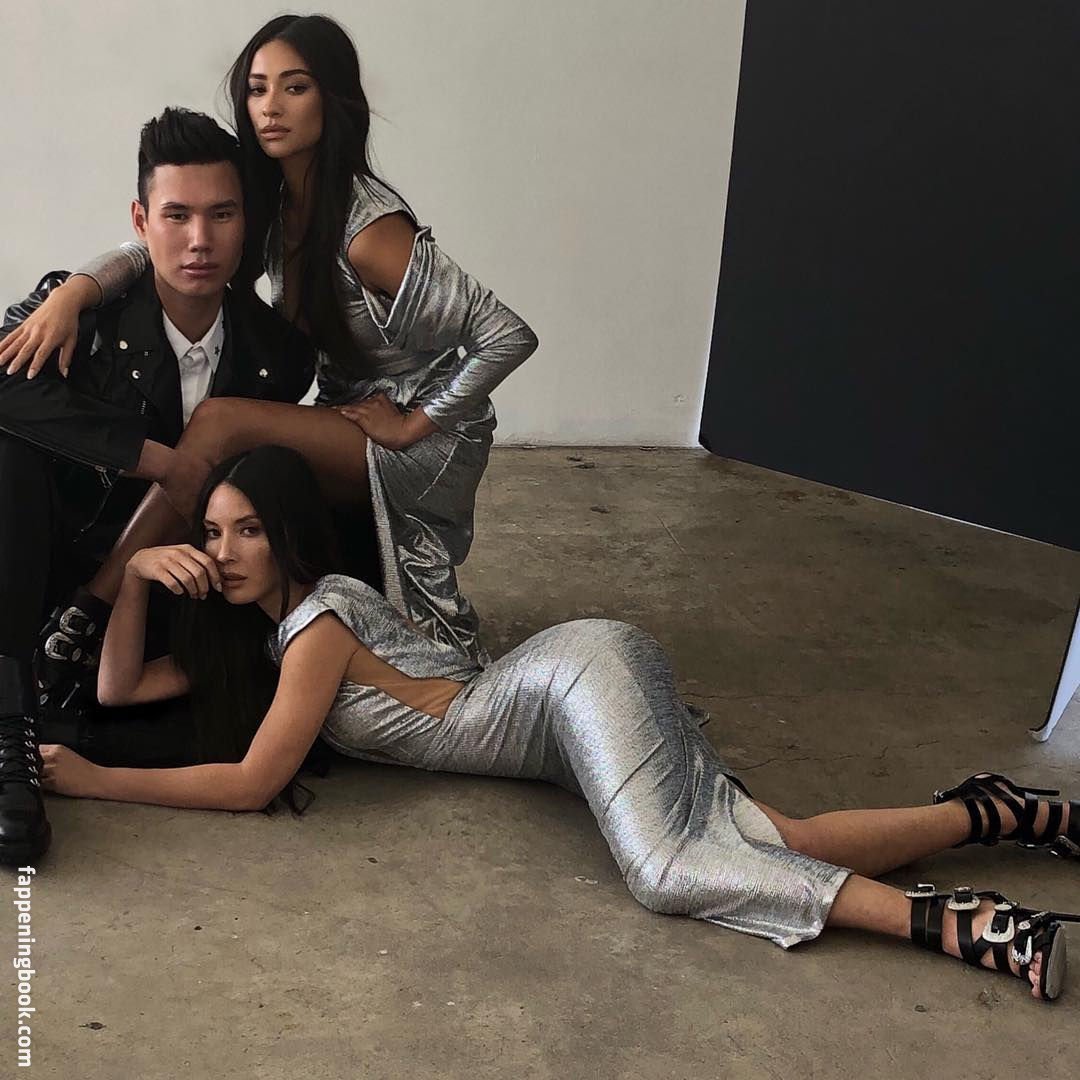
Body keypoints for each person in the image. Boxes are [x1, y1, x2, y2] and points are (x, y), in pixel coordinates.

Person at [40, 446, 1080, 1002]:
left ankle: (965, 927)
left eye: (248, 532)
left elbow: (251, 783)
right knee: (775, 840)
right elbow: (124, 691)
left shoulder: (317, 624)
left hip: (568, 682)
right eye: (212, 534)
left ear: (287, 536)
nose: (224, 553)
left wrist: (91, 779)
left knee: (667, 870)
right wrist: (137, 577)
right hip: (562, 715)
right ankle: (997, 813)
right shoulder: (274, 638)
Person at [1, 13, 538, 681]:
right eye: (257, 89)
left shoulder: (368, 229)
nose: (271, 107)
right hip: (350, 416)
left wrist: (415, 423)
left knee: (221, 424)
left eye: (295, 87)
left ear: (333, 99)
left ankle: (89, 610)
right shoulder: (275, 204)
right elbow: (169, 239)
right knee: (247, 474)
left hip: (419, 435)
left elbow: (507, 334)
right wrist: (75, 291)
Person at [0, 109, 317, 866]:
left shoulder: (278, 352)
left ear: (246, 223)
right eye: (176, 215)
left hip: (178, 586)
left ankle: (63, 718)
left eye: (221, 215)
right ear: (142, 222)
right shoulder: (83, 317)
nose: (199, 240)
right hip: (53, 563)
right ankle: (12, 730)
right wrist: (160, 460)